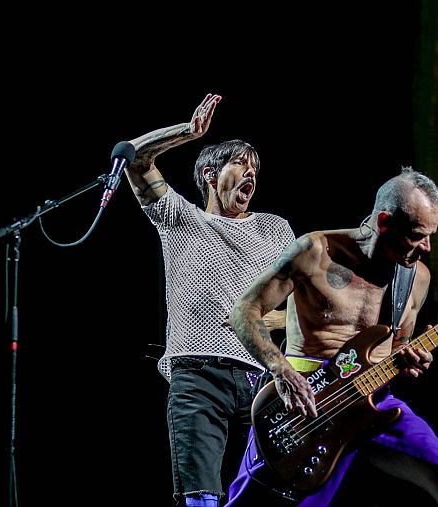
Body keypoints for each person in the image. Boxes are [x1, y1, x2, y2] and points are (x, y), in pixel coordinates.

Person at [225, 167, 438, 506]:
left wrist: (411, 360)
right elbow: (244, 310)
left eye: (430, 235)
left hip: (372, 402)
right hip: (305, 402)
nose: (426, 247)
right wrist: (280, 370)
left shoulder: (417, 278)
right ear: (384, 222)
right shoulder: (315, 251)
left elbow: (397, 347)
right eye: (417, 235)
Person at [123, 93, 296, 507]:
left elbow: (304, 305)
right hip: (197, 377)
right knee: (200, 497)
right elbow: (133, 157)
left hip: (261, 381)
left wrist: (253, 321)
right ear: (210, 175)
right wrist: (187, 132)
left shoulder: (274, 229)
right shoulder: (180, 217)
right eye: (240, 164)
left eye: (255, 169)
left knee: (274, 490)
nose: (251, 173)